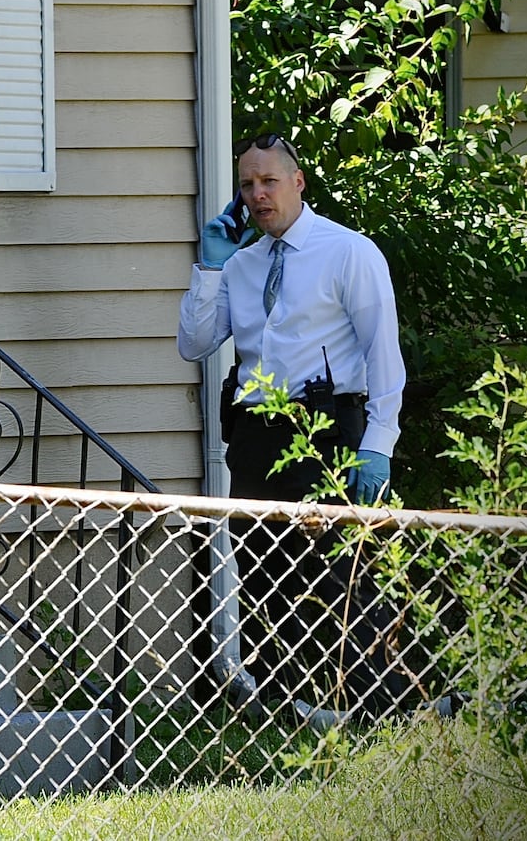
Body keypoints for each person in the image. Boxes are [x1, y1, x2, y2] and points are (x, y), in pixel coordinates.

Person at [178, 132, 419, 718]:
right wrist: (209, 265)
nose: (258, 195)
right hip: (258, 434)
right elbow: (195, 342)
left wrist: (378, 443)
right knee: (262, 566)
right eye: (247, 185)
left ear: (298, 182)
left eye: (269, 181)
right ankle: (286, 704)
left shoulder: (349, 252)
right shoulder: (239, 264)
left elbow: (383, 353)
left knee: (340, 572)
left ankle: (373, 707)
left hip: (331, 428)